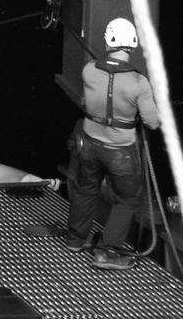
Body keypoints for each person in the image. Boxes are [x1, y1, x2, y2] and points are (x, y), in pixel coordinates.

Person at [64, 17, 161, 270]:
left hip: (89, 143)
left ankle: (75, 239)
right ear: (133, 44)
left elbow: (88, 102)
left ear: (108, 41)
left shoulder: (89, 69)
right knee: (127, 199)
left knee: (86, 189)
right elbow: (152, 123)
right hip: (120, 151)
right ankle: (107, 251)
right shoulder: (139, 83)